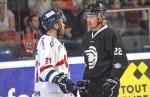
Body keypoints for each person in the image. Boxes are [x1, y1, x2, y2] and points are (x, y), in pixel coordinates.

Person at [77, 1, 128, 97]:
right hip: (91, 85)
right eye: (87, 17)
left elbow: (121, 61)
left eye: (91, 17)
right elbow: (89, 64)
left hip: (106, 85)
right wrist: (85, 80)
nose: (88, 20)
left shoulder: (111, 34)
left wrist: (113, 79)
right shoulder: (86, 37)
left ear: (101, 17)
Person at [34, 10, 77, 97]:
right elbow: (45, 69)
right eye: (61, 22)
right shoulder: (47, 41)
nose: (64, 25)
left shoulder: (51, 41)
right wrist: (62, 80)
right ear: (55, 25)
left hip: (55, 93)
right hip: (49, 93)